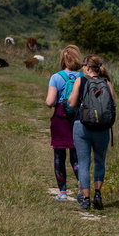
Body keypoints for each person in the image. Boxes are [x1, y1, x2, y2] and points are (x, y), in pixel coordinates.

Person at [68, 54, 116, 210]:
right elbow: (113, 105)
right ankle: (98, 195)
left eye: (83, 65)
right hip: (102, 128)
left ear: (87, 67)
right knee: (100, 162)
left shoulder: (80, 81)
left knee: (83, 163)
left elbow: (73, 103)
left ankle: (86, 199)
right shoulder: (107, 83)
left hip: (81, 126)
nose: (82, 68)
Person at [44, 44, 82, 201]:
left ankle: (63, 192)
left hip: (61, 118)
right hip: (78, 118)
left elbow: (49, 102)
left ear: (63, 59)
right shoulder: (82, 76)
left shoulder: (56, 77)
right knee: (77, 156)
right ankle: (82, 187)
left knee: (59, 156)